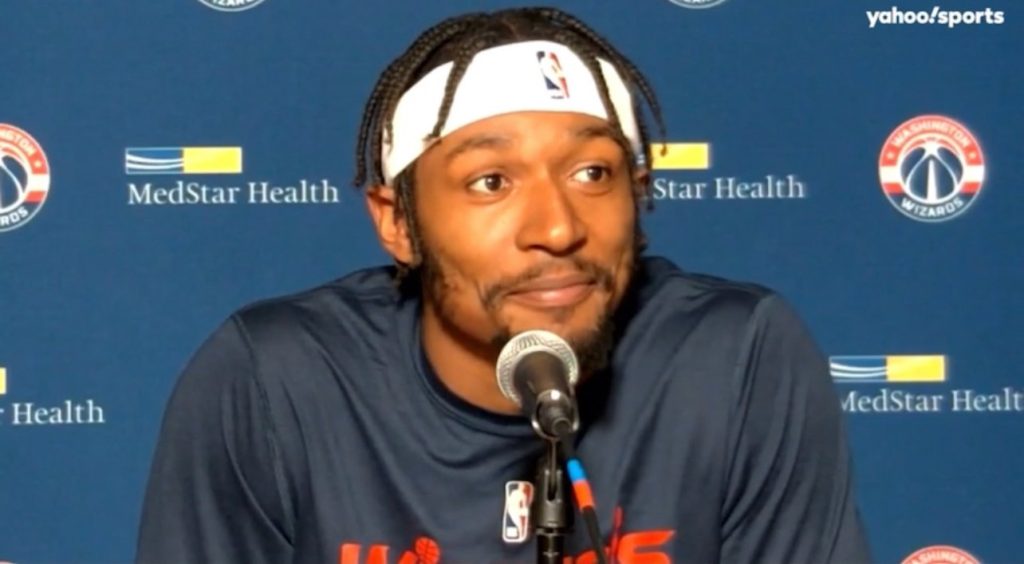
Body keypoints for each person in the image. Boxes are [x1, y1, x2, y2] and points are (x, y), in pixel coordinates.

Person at [136, 6, 872, 563]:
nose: (557, 227)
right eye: (491, 181)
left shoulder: (735, 357)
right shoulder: (276, 380)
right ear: (398, 222)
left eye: (593, 172)